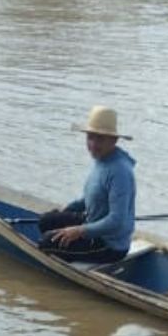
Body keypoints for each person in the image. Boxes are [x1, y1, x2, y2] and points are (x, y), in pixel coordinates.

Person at [38, 105, 136, 263]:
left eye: (100, 139)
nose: (93, 144)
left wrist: (79, 231)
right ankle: (69, 253)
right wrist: (68, 209)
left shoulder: (120, 172)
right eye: (90, 137)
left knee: (46, 243)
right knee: (46, 220)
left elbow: (116, 221)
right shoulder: (102, 159)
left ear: (114, 140)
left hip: (109, 245)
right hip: (92, 222)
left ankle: (66, 259)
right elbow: (89, 198)